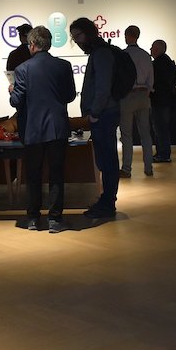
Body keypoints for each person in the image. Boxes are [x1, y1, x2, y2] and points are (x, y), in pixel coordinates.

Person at [9, 26, 77, 233]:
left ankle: (33, 218)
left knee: (33, 175)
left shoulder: (22, 70)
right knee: (56, 174)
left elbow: (16, 102)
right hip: (57, 128)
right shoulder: (63, 66)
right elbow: (70, 97)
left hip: (33, 129)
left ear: (31, 44)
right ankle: (55, 220)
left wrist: (12, 91)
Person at [70, 16, 119, 219]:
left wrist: (95, 113)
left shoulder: (101, 53)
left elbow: (103, 87)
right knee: (105, 159)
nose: (77, 41)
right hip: (103, 114)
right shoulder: (98, 52)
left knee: (107, 160)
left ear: (88, 32)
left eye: (78, 35)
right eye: (73, 37)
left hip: (104, 115)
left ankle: (108, 203)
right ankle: (107, 201)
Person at [118, 25, 155, 178]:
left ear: (127, 36)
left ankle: (127, 168)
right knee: (145, 133)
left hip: (128, 96)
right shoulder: (146, 55)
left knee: (126, 134)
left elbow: (119, 78)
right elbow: (151, 79)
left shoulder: (123, 55)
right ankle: (148, 167)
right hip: (143, 95)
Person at [150, 39, 176, 163]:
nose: (150, 50)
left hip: (158, 100)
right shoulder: (169, 62)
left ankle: (163, 154)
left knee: (159, 128)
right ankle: (162, 153)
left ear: (157, 49)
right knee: (162, 128)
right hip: (167, 100)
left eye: (152, 47)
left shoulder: (156, 65)